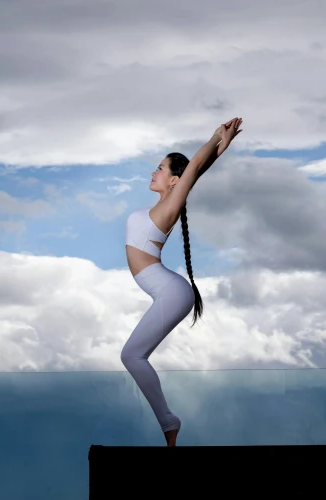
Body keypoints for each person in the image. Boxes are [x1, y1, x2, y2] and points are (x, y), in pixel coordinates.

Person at [123, 117, 244, 446]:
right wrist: (223, 143)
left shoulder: (170, 206)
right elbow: (199, 169)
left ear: (175, 181)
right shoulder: (163, 204)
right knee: (132, 355)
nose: (154, 171)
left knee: (132, 356)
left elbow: (196, 166)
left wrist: (216, 136)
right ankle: (168, 424)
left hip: (171, 292)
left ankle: (168, 421)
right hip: (167, 290)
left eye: (160, 168)